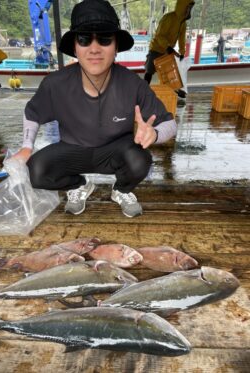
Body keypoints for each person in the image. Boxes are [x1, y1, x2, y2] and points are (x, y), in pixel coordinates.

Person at [13, 0, 177, 218]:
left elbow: (170, 124)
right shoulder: (55, 83)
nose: (94, 48)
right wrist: (26, 146)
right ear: (75, 47)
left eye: (105, 39)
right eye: (84, 39)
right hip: (73, 149)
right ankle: (78, 185)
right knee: (35, 171)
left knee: (140, 160)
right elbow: (32, 114)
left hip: (115, 151)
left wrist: (154, 134)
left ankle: (121, 190)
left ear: (116, 46)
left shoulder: (132, 83)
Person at [144, 0, 195, 96]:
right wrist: (167, 46)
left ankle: (175, 89)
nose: (189, 10)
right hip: (156, 48)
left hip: (167, 50)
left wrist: (182, 52)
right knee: (149, 71)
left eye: (190, 8)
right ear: (182, 7)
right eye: (188, 7)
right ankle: (143, 90)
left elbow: (181, 39)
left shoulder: (182, 23)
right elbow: (159, 35)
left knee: (170, 73)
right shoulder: (168, 18)